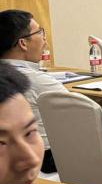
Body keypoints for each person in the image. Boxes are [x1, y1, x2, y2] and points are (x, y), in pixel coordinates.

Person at [0, 11, 65, 173]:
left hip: (9, 157)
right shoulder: (37, 81)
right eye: (40, 32)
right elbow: (83, 118)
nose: (44, 40)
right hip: (47, 158)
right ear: (23, 43)